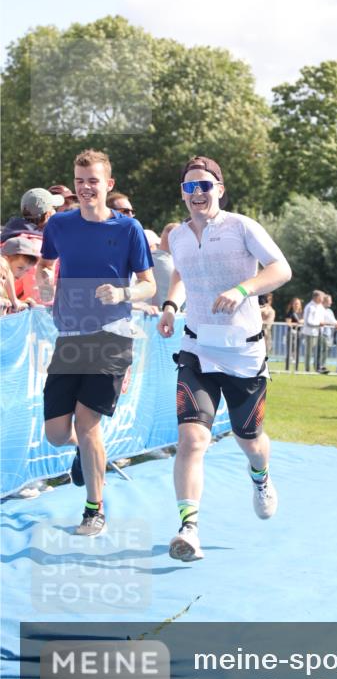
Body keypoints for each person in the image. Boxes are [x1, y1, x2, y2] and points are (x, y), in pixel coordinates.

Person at [157, 156, 291, 563]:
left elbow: (281, 269)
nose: (197, 193)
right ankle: (189, 528)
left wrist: (243, 289)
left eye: (204, 186)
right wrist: (170, 305)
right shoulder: (178, 235)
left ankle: (260, 477)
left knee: (249, 440)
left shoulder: (241, 227)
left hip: (243, 353)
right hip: (197, 349)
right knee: (191, 439)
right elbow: (181, 274)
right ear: (182, 193)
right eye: (189, 187)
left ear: (219, 189)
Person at [35, 149, 156, 537]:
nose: (86, 187)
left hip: (111, 338)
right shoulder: (59, 225)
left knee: (88, 425)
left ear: (109, 184)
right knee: (57, 433)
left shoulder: (128, 229)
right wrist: (44, 280)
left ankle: (94, 510)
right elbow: (44, 265)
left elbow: (148, 284)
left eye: (93, 181)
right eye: (80, 181)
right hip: (69, 337)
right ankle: (85, 454)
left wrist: (123, 294)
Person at [1, 235, 42, 305]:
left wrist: (22, 303)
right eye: (20, 268)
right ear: (6, 261)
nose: (22, 274)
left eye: (27, 270)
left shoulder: (8, 288)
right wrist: (13, 301)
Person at [302, 290, 327, 371]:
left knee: (323, 348)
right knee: (309, 352)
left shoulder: (321, 307)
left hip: (320, 332)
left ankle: (319, 367)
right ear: (317, 297)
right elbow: (308, 321)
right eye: (321, 297)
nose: (323, 299)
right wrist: (319, 324)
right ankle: (307, 369)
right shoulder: (310, 307)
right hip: (310, 332)